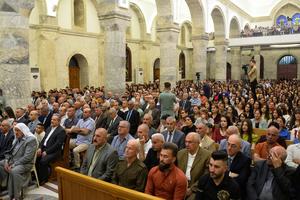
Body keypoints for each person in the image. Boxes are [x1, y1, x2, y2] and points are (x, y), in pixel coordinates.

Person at [0, 123, 37, 200]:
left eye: (18, 130)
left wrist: (13, 165)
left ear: (23, 130)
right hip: (13, 161)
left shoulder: (31, 140)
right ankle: (6, 184)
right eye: (15, 130)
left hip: (26, 163)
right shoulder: (17, 138)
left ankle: (17, 195)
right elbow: (9, 152)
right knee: (1, 164)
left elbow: (27, 157)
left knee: (14, 171)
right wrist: (7, 161)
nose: (16, 132)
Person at [177, 132, 210, 199]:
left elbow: (206, 176)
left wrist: (192, 189)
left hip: (196, 186)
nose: (187, 144)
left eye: (190, 142)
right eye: (186, 141)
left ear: (198, 143)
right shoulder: (180, 153)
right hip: (180, 185)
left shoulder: (207, 155)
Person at [36, 114, 66, 184]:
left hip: (54, 152)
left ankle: (44, 178)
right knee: (36, 158)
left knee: (43, 160)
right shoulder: (49, 128)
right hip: (45, 149)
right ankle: (38, 176)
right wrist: (40, 148)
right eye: (52, 119)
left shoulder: (61, 131)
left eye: (54, 120)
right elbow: (43, 140)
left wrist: (47, 152)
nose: (52, 121)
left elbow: (57, 145)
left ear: (59, 122)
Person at [226, 134, 251, 199]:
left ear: (240, 148)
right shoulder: (221, 154)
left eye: (233, 146)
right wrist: (230, 174)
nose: (229, 148)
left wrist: (222, 175)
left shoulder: (245, 160)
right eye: (228, 144)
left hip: (234, 193)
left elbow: (241, 181)